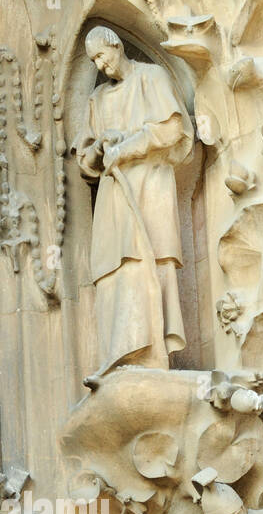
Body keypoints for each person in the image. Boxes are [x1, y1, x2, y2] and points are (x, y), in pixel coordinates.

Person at [74, 26, 193, 383]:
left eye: (102, 55)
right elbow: (84, 157)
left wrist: (126, 144)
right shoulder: (97, 99)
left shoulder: (151, 77)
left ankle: (153, 353)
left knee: (153, 257)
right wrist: (99, 149)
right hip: (115, 193)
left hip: (150, 181)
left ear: (116, 44)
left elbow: (173, 129)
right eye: (94, 60)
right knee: (116, 264)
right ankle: (119, 351)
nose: (101, 64)